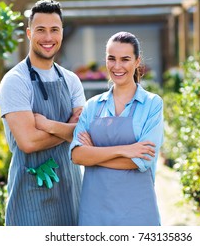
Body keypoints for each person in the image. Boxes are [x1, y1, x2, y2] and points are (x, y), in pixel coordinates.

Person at [0, 0, 85, 226]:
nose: (48, 38)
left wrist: (46, 125)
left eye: (54, 30)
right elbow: (28, 142)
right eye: (41, 30)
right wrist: (69, 130)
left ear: (62, 33)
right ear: (29, 33)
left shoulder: (71, 80)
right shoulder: (15, 81)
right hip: (30, 194)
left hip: (70, 191)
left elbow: (84, 133)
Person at [69, 31, 164, 226]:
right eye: (111, 59)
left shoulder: (152, 104)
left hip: (137, 211)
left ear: (137, 62)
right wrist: (125, 150)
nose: (117, 66)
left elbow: (141, 161)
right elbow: (77, 156)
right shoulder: (93, 105)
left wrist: (94, 154)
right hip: (95, 210)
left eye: (125, 59)